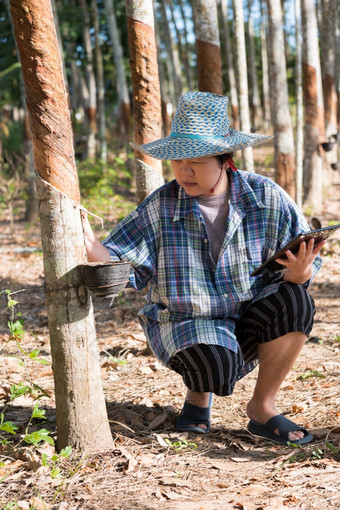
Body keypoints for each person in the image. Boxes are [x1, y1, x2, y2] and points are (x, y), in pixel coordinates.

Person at [82, 91, 324, 445]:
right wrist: (89, 245)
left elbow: (305, 257)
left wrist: (300, 274)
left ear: (225, 159)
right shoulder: (162, 204)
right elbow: (123, 262)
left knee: (297, 300)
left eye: (195, 161)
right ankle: (199, 395)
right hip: (187, 321)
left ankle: (262, 408)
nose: (184, 171)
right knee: (215, 368)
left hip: (249, 315)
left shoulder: (266, 196)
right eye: (178, 161)